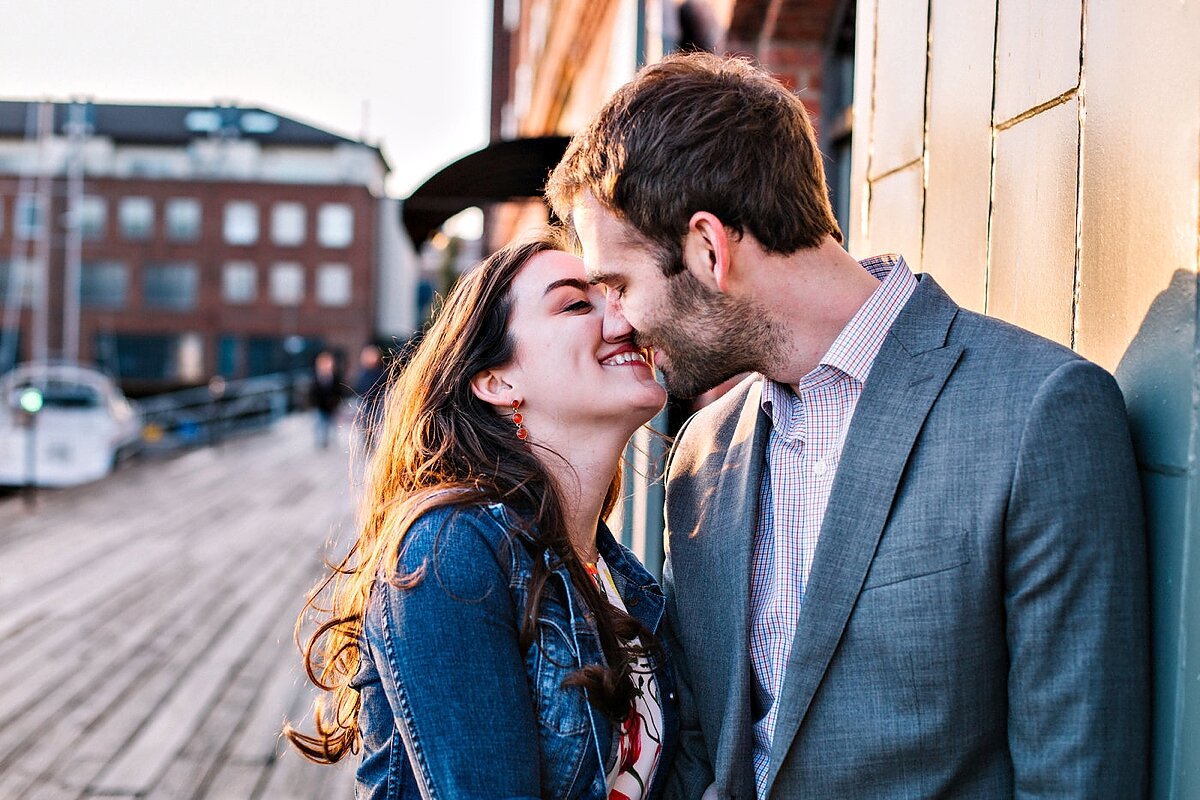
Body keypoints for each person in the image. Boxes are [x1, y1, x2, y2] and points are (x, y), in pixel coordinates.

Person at [546, 52, 1149, 799]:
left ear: (709, 248)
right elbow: (705, 746)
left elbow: (1078, 778)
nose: (614, 323)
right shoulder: (701, 456)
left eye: (619, 284)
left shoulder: (1038, 413)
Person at [285, 231, 679, 799]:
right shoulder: (449, 552)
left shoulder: (617, 576)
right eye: (576, 303)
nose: (625, 321)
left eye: (616, 294)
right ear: (497, 381)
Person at [353, 343, 388, 451]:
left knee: (374, 423)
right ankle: (367, 443)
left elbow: (383, 386)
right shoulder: (363, 371)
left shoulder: (380, 371)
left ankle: (371, 442)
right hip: (365, 401)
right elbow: (359, 385)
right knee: (365, 424)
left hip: (376, 403)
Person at [309, 350, 343, 450]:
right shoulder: (316, 377)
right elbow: (313, 392)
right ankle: (321, 442)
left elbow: (339, 390)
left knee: (332, 424)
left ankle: (330, 441)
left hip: (332, 406)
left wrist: (336, 401)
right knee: (320, 424)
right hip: (320, 406)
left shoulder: (335, 377)